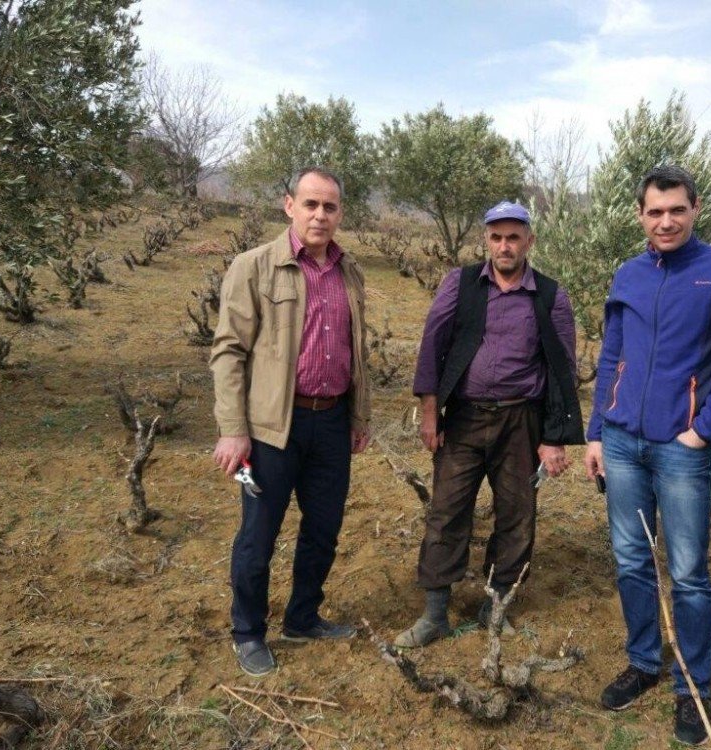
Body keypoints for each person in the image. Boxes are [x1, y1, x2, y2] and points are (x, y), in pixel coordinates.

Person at [584, 165, 711, 743]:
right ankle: (643, 662)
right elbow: (611, 353)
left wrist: (703, 429)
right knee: (632, 559)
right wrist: (595, 431)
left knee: (687, 572)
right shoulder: (629, 273)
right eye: (655, 212)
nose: (666, 221)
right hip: (622, 441)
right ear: (640, 214)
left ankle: (693, 685)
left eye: (676, 210)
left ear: (695, 208)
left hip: (682, 448)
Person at [394, 200, 584, 648]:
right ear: (486, 240)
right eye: (496, 237)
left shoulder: (551, 296)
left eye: (513, 237)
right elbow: (432, 347)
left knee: (517, 515)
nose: (504, 246)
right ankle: (435, 614)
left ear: (529, 241)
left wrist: (554, 438)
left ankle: (495, 605)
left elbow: (562, 370)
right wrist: (429, 412)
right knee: (446, 511)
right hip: (462, 419)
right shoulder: (459, 285)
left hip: (522, 422)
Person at [210, 167, 372, 677]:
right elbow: (229, 351)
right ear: (289, 206)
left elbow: (357, 352)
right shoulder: (254, 266)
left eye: (330, 207)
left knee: (323, 529)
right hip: (270, 427)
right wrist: (233, 429)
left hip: (331, 424)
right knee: (259, 534)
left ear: (340, 213)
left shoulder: (350, 273)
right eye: (311, 205)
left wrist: (359, 415)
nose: (320, 215)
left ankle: (303, 617)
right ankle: (249, 631)